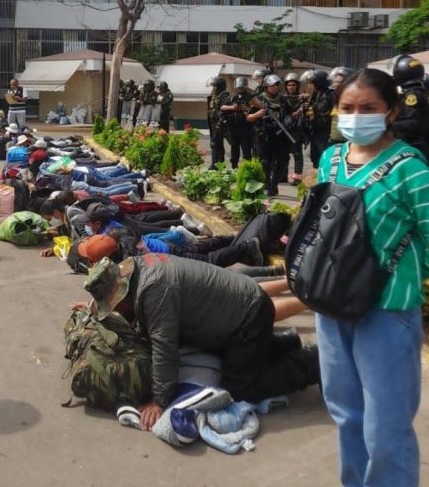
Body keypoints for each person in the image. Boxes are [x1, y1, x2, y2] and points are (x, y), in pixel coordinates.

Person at [316, 68, 429, 487]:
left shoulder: (411, 169)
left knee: (386, 427)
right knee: (346, 414)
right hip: (331, 305)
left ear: (392, 111)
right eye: (347, 108)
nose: (356, 117)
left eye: (368, 108)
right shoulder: (331, 159)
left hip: (388, 312)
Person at [82, 255, 320, 430]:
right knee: (234, 358)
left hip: (248, 317)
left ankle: (311, 362)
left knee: (240, 388)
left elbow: (164, 346)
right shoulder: (138, 269)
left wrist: (159, 400)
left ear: (122, 292)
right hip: (237, 311)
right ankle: (285, 343)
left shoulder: (154, 290)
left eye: (114, 305)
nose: (117, 310)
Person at [247, 75, 292, 196]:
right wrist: (257, 114)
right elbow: (248, 117)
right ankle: (267, 185)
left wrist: (290, 119)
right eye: (272, 85)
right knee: (265, 162)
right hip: (264, 135)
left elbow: (290, 114)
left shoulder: (282, 99)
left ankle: (274, 183)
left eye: (277, 85)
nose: (275, 87)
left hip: (280, 135)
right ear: (266, 86)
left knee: (283, 161)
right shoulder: (259, 99)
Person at [391, 54, 429, 160]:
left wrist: (388, 125)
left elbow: (414, 122)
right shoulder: (417, 92)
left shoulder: (413, 95)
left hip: (415, 145)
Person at [302, 69, 335, 169]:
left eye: (312, 83)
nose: (310, 86)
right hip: (315, 130)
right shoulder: (314, 95)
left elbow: (333, 114)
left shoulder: (331, 95)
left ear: (319, 83)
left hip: (325, 132)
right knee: (315, 158)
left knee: (324, 157)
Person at [220, 76, 253, 168]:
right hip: (233, 127)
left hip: (246, 127)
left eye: (242, 87)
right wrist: (232, 107)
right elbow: (222, 107)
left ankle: (247, 168)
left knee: (246, 150)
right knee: (234, 148)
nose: (240, 89)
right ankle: (234, 167)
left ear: (245, 87)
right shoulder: (232, 97)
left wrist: (246, 108)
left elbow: (256, 110)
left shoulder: (251, 97)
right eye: (239, 87)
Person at [282, 73, 306, 185]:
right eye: (289, 85)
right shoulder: (282, 98)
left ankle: (297, 177)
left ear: (297, 86)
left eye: (293, 85)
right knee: (283, 154)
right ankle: (282, 176)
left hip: (297, 130)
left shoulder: (302, 99)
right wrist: (292, 116)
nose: (291, 87)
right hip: (285, 129)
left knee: (297, 154)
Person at [206, 76, 231, 168]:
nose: (213, 88)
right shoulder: (215, 96)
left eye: (215, 86)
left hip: (221, 122)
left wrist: (220, 120)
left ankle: (215, 165)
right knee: (217, 144)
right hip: (214, 122)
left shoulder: (224, 95)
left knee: (215, 143)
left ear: (219, 86)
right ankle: (219, 165)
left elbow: (224, 109)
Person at [327, 66, 354, 145]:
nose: (336, 85)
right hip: (334, 138)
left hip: (347, 140)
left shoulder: (353, 99)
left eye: (339, 82)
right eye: (335, 82)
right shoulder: (333, 97)